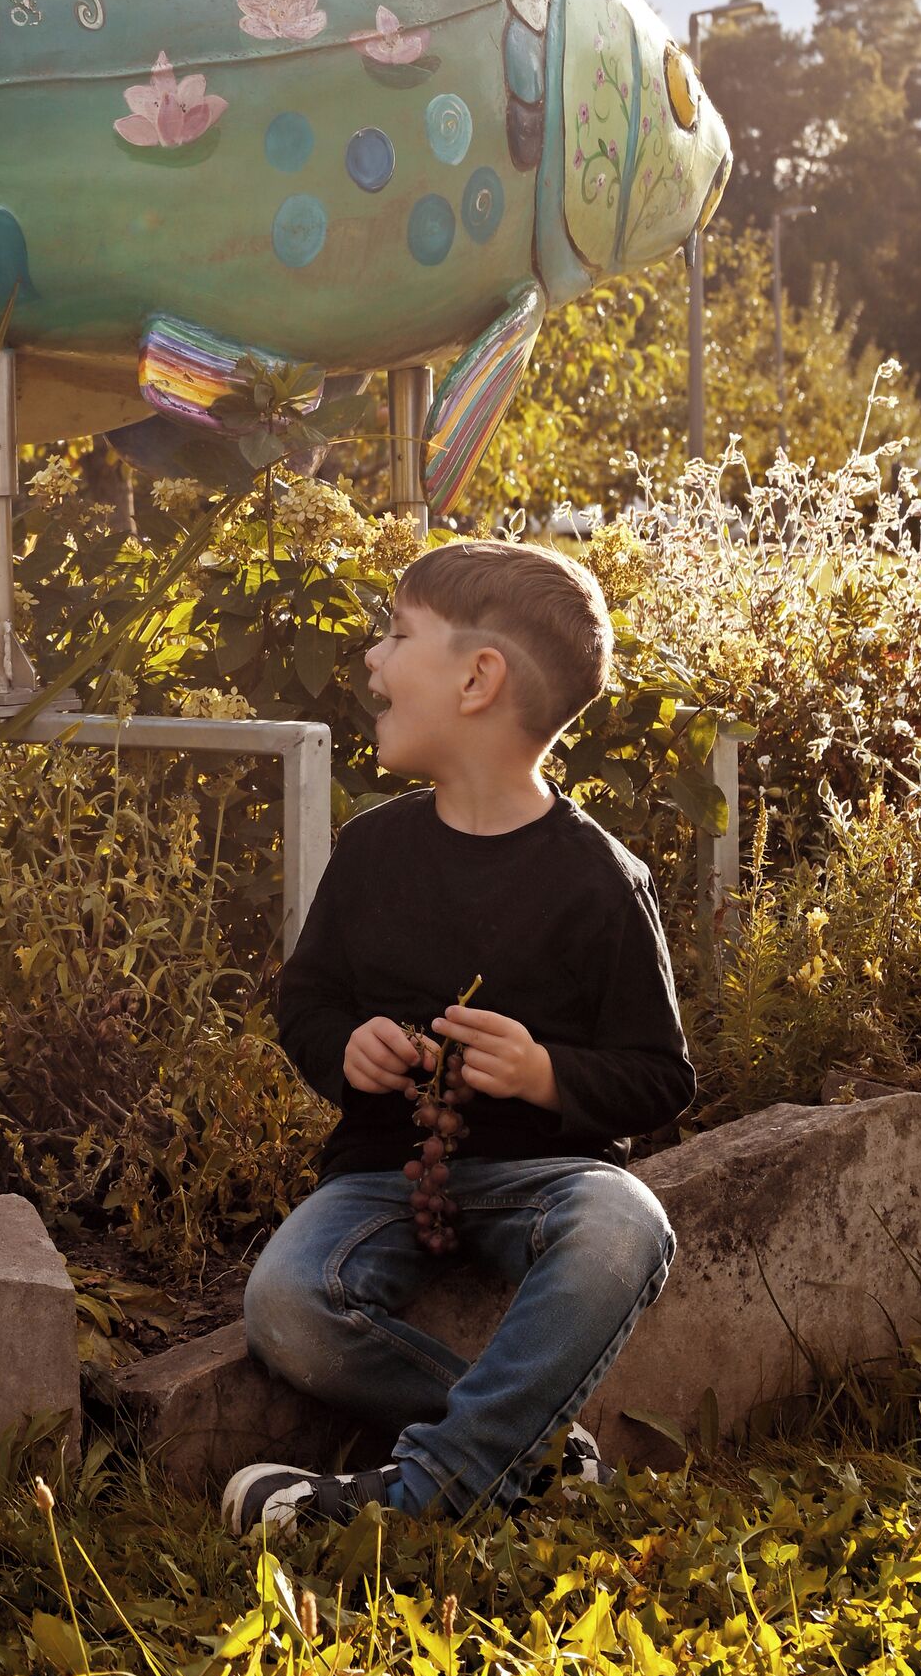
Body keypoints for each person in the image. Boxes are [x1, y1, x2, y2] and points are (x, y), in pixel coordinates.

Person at [222, 538, 692, 1538]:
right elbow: (306, 1003)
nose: (374, 660)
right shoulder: (374, 850)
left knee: (629, 1226)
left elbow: (659, 1077)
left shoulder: (602, 880)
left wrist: (542, 1071)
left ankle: (404, 1505)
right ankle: (534, 1455)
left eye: (399, 637)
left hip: (547, 1180)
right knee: (288, 1305)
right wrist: (347, 1047)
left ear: (480, 679)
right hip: (385, 1178)